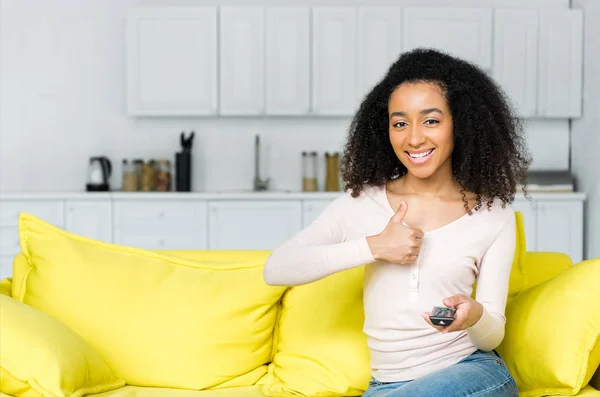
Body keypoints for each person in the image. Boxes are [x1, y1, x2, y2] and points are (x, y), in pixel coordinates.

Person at [263, 48, 531, 397]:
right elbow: (277, 268)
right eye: (400, 123)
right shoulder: (361, 203)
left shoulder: (493, 214)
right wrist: (375, 247)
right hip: (386, 387)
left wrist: (476, 315)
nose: (414, 138)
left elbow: (493, 334)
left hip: (473, 376)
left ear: (460, 123)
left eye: (431, 120)